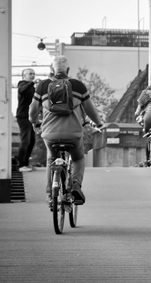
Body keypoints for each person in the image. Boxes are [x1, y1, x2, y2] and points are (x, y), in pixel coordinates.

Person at [29, 55, 103, 207]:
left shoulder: (42, 86)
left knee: (51, 159)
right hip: (73, 134)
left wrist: (35, 122)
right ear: (68, 70)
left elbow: (32, 111)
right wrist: (99, 123)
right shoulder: (78, 86)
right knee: (78, 159)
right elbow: (91, 111)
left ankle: (50, 195)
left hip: (50, 134)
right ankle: (75, 185)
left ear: (52, 69)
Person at [15, 68, 37, 173]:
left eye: (33, 74)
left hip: (30, 117)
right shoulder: (22, 84)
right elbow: (22, 91)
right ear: (24, 76)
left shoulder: (32, 87)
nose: (32, 75)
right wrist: (32, 83)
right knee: (25, 140)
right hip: (23, 117)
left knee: (32, 141)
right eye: (30, 74)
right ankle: (20, 164)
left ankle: (26, 163)